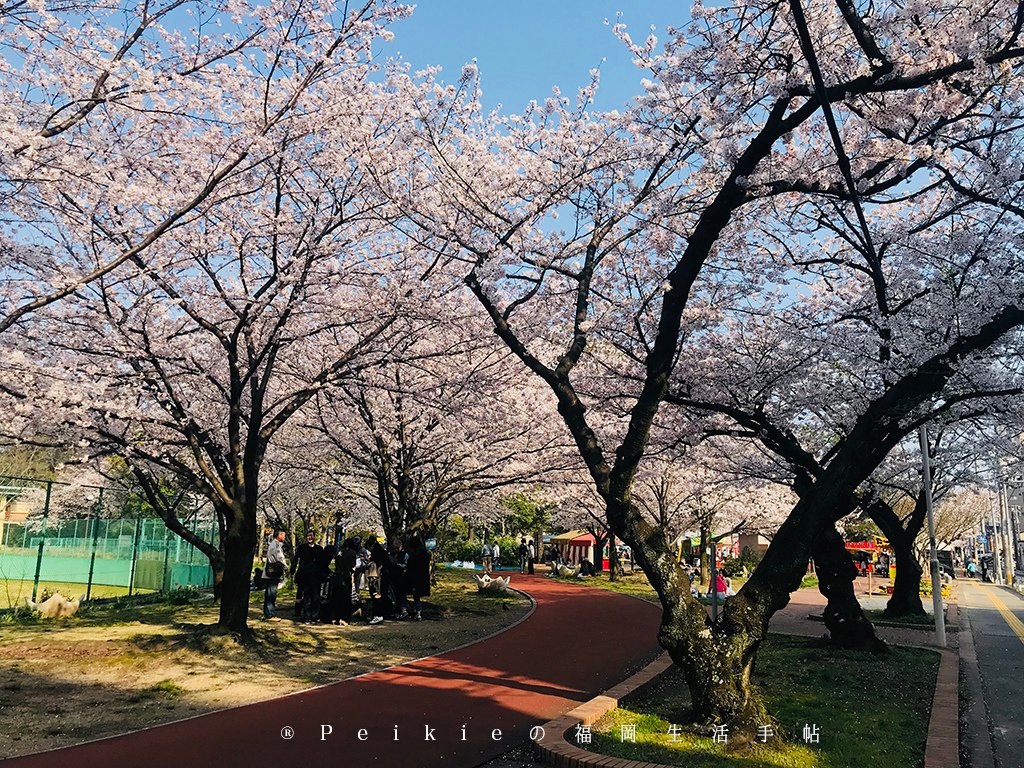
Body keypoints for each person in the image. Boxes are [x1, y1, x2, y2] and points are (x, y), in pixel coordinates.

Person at [290, 530, 323, 619]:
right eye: (308, 536)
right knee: (302, 594)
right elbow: (296, 559)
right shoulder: (302, 547)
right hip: (303, 574)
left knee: (315, 596)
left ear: (314, 537)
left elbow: (321, 562)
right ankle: (300, 612)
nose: (310, 537)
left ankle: (314, 615)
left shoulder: (319, 549)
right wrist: (292, 569)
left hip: (315, 575)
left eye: (311, 536)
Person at [263, 529, 288, 622]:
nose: (285, 537)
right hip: (273, 572)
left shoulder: (273, 544)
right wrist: (285, 567)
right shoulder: (276, 545)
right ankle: (270, 614)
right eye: (284, 535)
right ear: (280, 535)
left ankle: (268, 613)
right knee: (271, 593)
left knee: (269, 593)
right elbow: (280, 558)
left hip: (271, 572)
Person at [405, 534, 431, 621]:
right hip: (422, 577)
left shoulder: (415, 554)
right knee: (416, 596)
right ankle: (418, 612)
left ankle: (417, 612)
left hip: (415, 577)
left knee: (415, 595)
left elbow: (410, 565)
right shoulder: (424, 553)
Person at [389, 538, 410, 619]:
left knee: (402, 594)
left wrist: (397, 564)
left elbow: (406, 566)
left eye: (397, 548)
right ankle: (396, 610)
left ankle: (403, 610)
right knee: (394, 594)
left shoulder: (405, 555)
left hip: (402, 576)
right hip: (393, 576)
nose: (396, 550)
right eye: (395, 548)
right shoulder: (391, 553)